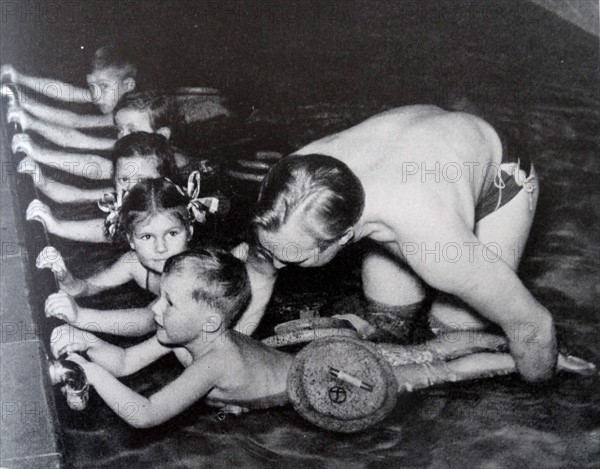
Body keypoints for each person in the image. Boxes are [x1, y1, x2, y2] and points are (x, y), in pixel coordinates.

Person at [48, 250, 595, 429]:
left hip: (324, 376)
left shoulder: (211, 358)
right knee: (421, 354)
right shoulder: (179, 334)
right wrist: (80, 344)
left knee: (432, 370)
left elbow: (144, 414)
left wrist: (89, 373)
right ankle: (502, 338)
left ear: (213, 322)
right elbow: (121, 362)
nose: (154, 308)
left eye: (167, 302)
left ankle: (529, 355)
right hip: (309, 356)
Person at [235, 105, 556, 383]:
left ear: (345, 238)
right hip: (411, 160)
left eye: (292, 259)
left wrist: (538, 406)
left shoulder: (436, 244)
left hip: (498, 178)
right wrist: (231, 356)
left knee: (454, 332)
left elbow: (533, 325)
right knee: (387, 319)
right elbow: (261, 271)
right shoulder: (285, 192)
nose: (274, 264)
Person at [41, 177, 213, 336]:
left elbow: (149, 320)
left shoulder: (194, 271)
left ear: (189, 231)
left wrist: (80, 316)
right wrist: (65, 277)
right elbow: (88, 287)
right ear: (131, 240)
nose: (161, 248)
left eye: (172, 233)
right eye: (147, 237)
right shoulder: (134, 262)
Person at [13, 91, 190, 202]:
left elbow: (92, 166)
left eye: (131, 130)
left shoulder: (161, 163)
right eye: (119, 129)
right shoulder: (139, 144)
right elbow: (77, 139)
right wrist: (30, 122)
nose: (122, 135)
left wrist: (39, 154)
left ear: (162, 135)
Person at [25, 132, 181, 241]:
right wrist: (41, 180)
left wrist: (58, 227)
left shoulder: (174, 215)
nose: (131, 189)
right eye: (123, 179)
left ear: (166, 181)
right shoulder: (123, 200)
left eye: (141, 181)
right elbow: (107, 228)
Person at [2, 45, 137, 151]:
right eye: (91, 85)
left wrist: (29, 116)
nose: (96, 95)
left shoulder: (134, 117)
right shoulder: (112, 91)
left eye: (103, 86)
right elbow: (67, 91)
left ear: (128, 85)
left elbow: (76, 129)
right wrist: (18, 78)